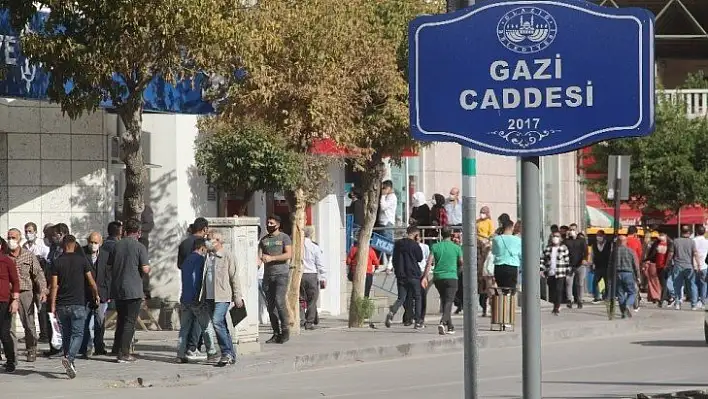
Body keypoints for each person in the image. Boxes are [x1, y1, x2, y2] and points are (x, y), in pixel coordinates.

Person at [49, 235, 100, 378]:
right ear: (74, 245)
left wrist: (52, 305)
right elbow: (91, 281)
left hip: (62, 304)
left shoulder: (57, 262)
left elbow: (54, 286)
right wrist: (96, 294)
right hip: (78, 303)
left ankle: (70, 363)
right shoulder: (82, 261)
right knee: (78, 334)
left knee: (66, 334)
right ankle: (70, 358)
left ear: (63, 246)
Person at [109, 218, 150, 362]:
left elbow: (110, 265)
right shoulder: (140, 247)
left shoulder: (116, 246)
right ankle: (124, 353)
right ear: (138, 232)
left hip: (118, 288)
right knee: (129, 322)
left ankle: (116, 348)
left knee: (121, 319)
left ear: (125, 231)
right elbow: (145, 268)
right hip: (133, 289)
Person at [6, 228, 47, 362]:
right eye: (9, 237)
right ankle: (12, 353)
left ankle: (31, 349)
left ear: (19, 239)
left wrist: (43, 290)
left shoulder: (28, 255)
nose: (11, 240)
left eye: (13, 238)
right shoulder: (4, 256)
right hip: (8, 294)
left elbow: (38, 274)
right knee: (8, 326)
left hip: (25, 293)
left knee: (29, 324)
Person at [203, 232, 243, 366]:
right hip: (209, 296)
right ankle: (231, 354)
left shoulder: (227, 256)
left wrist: (238, 296)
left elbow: (234, 277)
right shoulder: (207, 256)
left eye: (210, 240)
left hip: (222, 296)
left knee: (216, 321)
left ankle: (225, 352)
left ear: (218, 241)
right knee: (222, 325)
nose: (207, 242)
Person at [176, 238, 218, 364]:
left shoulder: (187, 260)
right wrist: (199, 297)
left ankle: (180, 354)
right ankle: (211, 351)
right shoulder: (200, 260)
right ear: (202, 248)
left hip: (185, 298)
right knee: (206, 325)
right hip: (195, 299)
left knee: (184, 328)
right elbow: (196, 278)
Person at [259, 215, 293, 344]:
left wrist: (272, 258)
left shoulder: (284, 238)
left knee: (280, 301)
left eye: (271, 223)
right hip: (267, 276)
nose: (269, 225)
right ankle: (275, 332)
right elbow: (259, 256)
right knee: (270, 306)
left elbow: (288, 254)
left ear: (277, 224)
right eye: (267, 223)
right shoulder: (264, 240)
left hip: (281, 275)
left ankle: (285, 330)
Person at [423, 227, 462, 335]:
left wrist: (425, 277)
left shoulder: (435, 246)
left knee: (445, 301)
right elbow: (462, 262)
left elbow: (429, 263)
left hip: (438, 277)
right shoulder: (456, 248)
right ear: (451, 235)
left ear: (441, 235)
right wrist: (458, 271)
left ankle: (450, 327)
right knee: (449, 301)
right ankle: (443, 322)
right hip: (452, 276)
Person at [384, 226, 424, 329]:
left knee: (401, 298)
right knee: (418, 297)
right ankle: (418, 321)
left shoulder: (398, 244)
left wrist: (397, 271)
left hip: (401, 275)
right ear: (415, 235)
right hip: (413, 274)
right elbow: (419, 258)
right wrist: (418, 243)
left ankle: (392, 312)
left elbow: (394, 259)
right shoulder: (415, 245)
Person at [80, 232, 111, 357]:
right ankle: (85, 347)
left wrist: (107, 294)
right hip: (85, 294)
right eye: (91, 242)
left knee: (100, 322)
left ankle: (99, 346)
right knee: (85, 322)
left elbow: (108, 276)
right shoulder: (81, 253)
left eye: (96, 243)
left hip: (101, 294)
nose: (93, 245)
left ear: (100, 243)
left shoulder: (106, 255)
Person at [0, 237, 20, 373]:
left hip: (3, 301)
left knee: (4, 333)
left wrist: (15, 300)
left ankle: (10, 361)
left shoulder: (7, 261)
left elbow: (16, 282)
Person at [669, 225, 701, 310]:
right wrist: (698, 265)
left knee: (677, 285)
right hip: (689, 266)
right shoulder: (692, 242)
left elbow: (671, 254)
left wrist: (668, 263)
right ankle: (693, 304)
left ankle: (677, 303)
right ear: (689, 232)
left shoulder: (675, 241)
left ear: (681, 232)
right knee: (692, 285)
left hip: (677, 265)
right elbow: (695, 254)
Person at [301, 227, 326, 330]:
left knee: (301, 299)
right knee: (312, 299)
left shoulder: (297, 246)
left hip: (300, 274)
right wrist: (323, 277)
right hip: (311, 274)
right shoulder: (314, 247)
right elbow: (320, 263)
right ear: (311, 234)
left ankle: (302, 319)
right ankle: (309, 322)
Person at [541, 231, 570, 315]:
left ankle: (557, 307)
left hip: (560, 272)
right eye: (554, 236)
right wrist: (542, 269)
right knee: (552, 290)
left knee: (559, 289)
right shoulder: (548, 248)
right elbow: (543, 259)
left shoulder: (563, 248)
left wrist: (568, 272)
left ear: (560, 238)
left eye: (557, 236)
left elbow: (567, 260)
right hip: (550, 272)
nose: (555, 238)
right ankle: (555, 304)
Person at [491, 219, 522, 294]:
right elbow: (520, 254)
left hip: (499, 266)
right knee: (511, 290)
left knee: (501, 290)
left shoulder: (496, 239)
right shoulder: (518, 240)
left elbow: (494, 252)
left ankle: (502, 304)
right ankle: (510, 304)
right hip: (512, 266)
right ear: (511, 227)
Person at [613, 236, 641, 319]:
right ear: (625, 241)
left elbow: (610, 265)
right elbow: (635, 265)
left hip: (617, 274)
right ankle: (628, 304)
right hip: (628, 273)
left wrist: (610, 276)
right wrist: (638, 276)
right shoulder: (630, 251)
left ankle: (623, 313)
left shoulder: (614, 251)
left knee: (620, 294)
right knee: (632, 292)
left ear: (618, 242)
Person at [645, 232, 675, 307]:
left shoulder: (670, 243)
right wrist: (648, 260)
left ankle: (661, 301)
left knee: (663, 283)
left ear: (666, 236)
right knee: (662, 283)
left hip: (665, 266)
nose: (660, 237)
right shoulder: (656, 243)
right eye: (660, 235)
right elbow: (652, 253)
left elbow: (670, 254)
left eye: (662, 235)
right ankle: (670, 298)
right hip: (657, 265)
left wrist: (666, 265)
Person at [564, 224, 588, 308]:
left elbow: (585, 251)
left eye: (573, 229)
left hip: (580, 265)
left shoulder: (581, 240)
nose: (572, 231)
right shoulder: (567, 241)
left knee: (580, 283)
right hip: (570, 265)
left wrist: (584, 258)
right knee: (568, 283)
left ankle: (580, 300)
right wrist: (567, 237)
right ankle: (569, 300)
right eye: (570, 230)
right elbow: (563, 249)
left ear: (577, 230)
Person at [590, 230, 612, 303]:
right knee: (595, 281)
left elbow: (611, 254)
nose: (598, 237)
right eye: (597, 236)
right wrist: (592, 263)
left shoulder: (609, 244)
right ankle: (596, 296)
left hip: (607, 266)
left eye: (600, 236)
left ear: (604, 236)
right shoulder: (594, 245)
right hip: (598, 265)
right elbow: (592, 254)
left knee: (607, 282)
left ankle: (607, 297)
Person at [693, 225, 708, 307]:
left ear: (696, 232)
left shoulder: (693, 241)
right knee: (704, 284)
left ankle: (695, 301)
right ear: (704, 232)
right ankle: (702, 301)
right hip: (704, 265)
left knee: (694, 284)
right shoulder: (707, 242)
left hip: (694, 265)